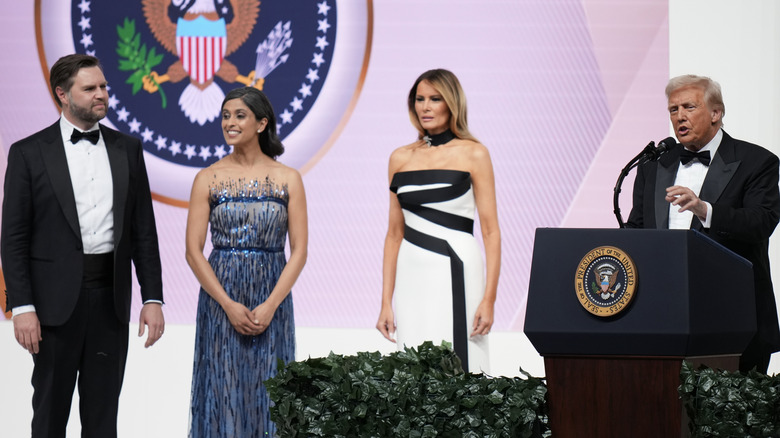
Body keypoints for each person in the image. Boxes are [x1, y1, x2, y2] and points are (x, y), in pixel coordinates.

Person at [0, 54, 165, 437]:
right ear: (62, 94)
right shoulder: (28, 153)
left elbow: (144, 231)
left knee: (103, 415)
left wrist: (152, 298)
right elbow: (14, 237)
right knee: (49, 414)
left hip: (110, 301)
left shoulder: (129, 149)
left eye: (104, 87)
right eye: (90, 88)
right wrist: (22, 306)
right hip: (53, 308)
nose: (101, 95)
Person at [626, 74, 780, 374]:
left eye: (689, 107)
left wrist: (705, 209)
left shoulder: (757, 161)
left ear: (716, 113)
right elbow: (637, 229)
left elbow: (761, 222)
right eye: (673, 109)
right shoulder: (654, 165)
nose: (680, 116)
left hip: (735, 321)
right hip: (662, 320)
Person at [186, 86, 307, 437]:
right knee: (222, 392)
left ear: (261, 123)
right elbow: (193, 251)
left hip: (273, 296)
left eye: (239, 115)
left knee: (270, 392)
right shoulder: (207, 178)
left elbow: (299, 251)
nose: (229, 122)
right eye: (225, 115)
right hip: (221, 298)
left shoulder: (288, 179)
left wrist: (270, 305)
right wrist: (226, 304)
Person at [375, 69, 501, 373]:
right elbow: (394, 234)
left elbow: (491, 231)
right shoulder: (399, 158)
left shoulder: (475, 154)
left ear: (452, 104)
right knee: (412, 367)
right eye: (419, 99)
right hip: (411, 271)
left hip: (457, 268)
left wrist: (489, 300)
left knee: (463, 366)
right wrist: (385, 302)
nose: (425, 107)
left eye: (435, 99)